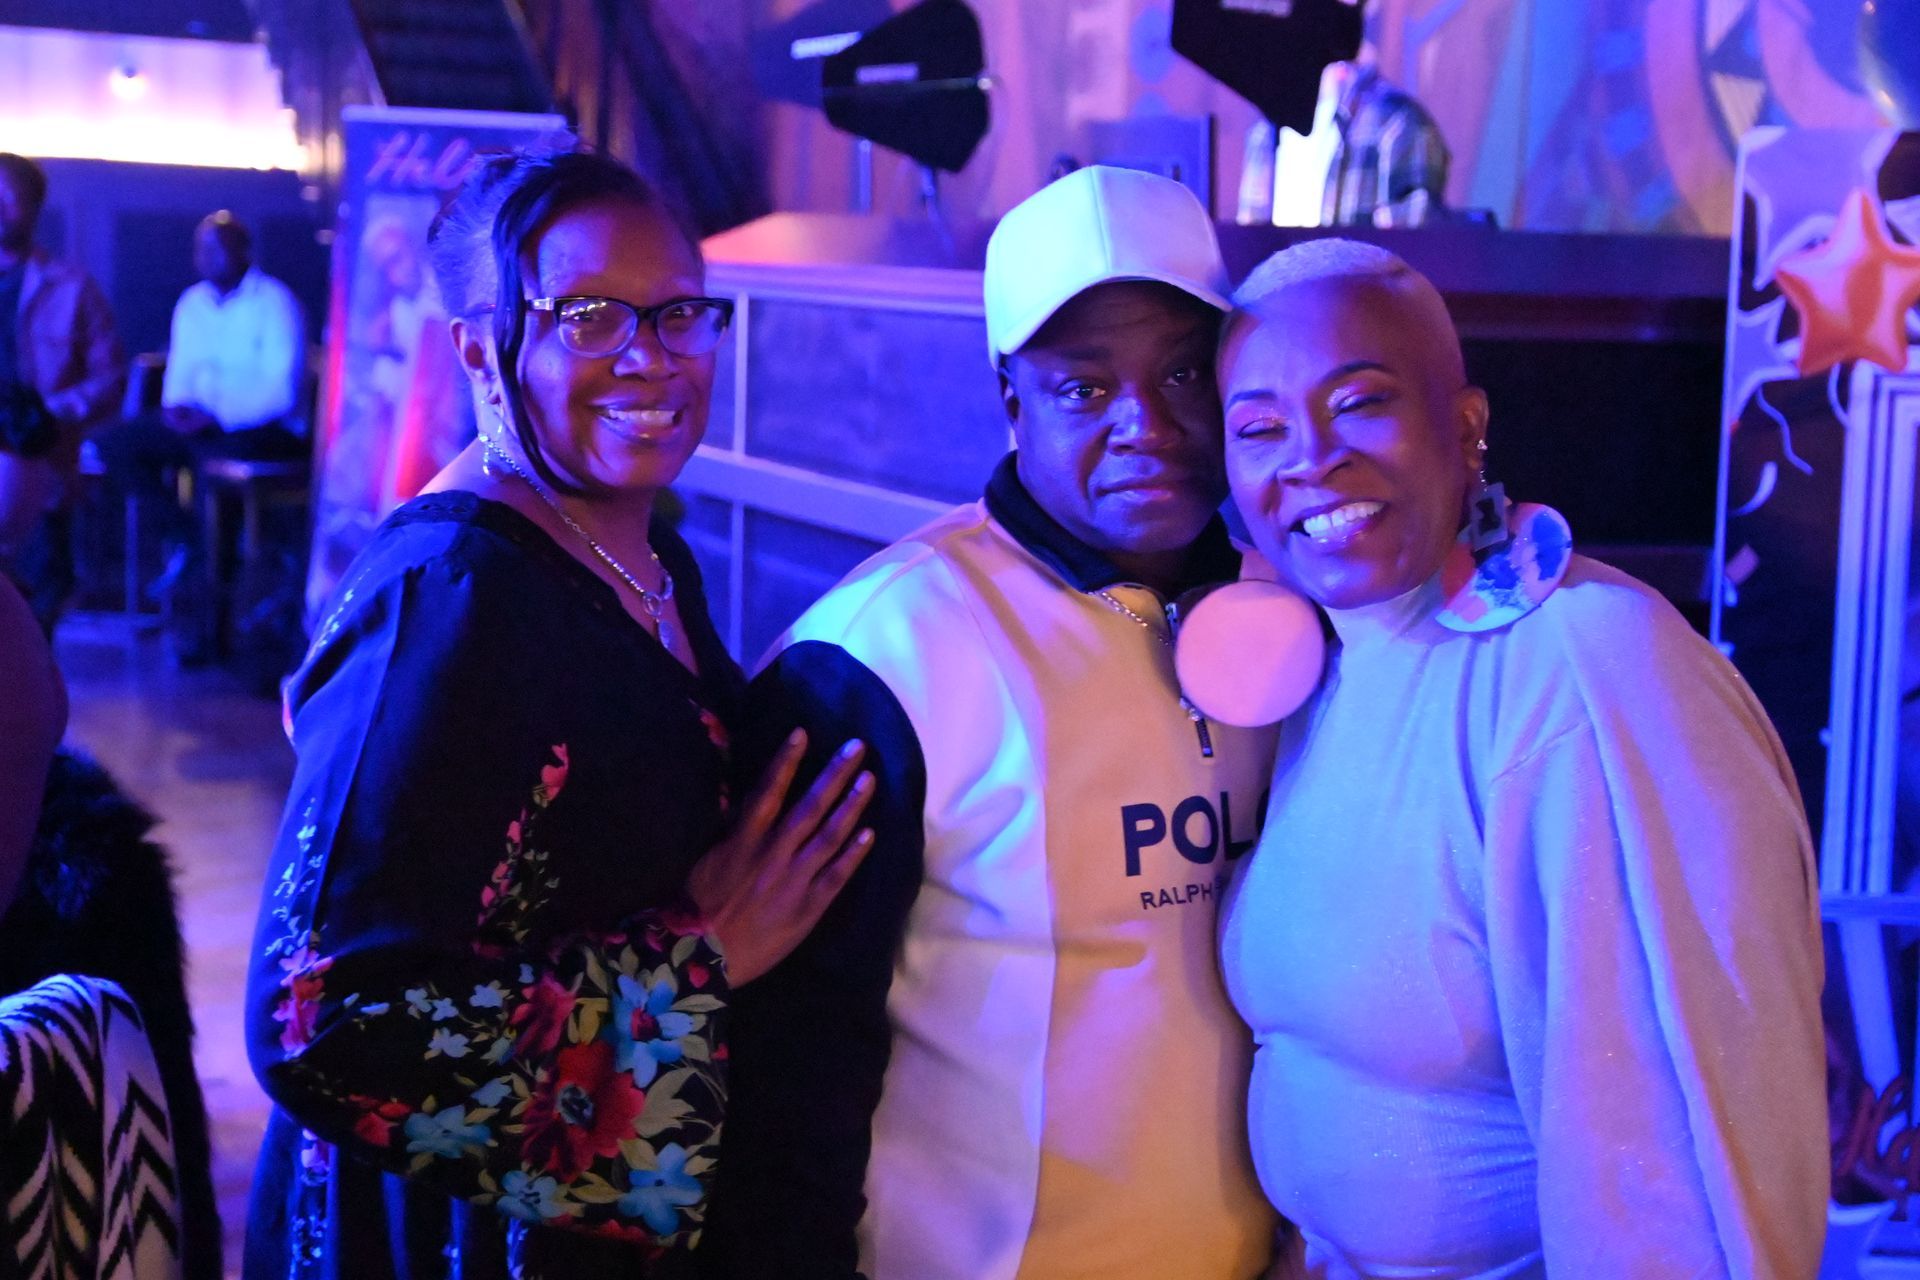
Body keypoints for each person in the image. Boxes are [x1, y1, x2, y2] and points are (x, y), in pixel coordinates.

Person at [243, 147, 876, 1280]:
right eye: (587, 317)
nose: (651, 357)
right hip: (458, 1236)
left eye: (678, 312)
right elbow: (317, 1021)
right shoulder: (453, 596)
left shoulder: (642, 547)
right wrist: (697, 956)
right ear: (479, 350)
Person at [702, 166, 1281, 1279]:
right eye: (1084, 388)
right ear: (1012, 398)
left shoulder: (1302, 609)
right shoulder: (884, 652)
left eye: (1181, 372)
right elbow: (786, 1070)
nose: (1146, 426)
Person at [1213, 239, 1826, 1277]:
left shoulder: (1591, 664)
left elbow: (1684, 1155)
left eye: (1358, 403)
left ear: (1466, 427)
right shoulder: (1319, 668)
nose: (1310, 457)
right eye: (1261, 428)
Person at [0, 152, 125, 632]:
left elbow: (110, 378)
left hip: (41, 467)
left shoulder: (71, 288)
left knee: (32, 617)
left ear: (34, 207)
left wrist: (52, 412)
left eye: (10, 197)